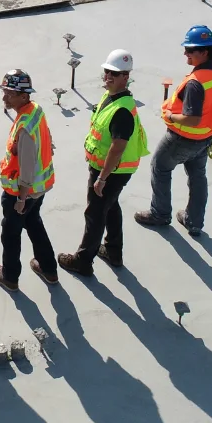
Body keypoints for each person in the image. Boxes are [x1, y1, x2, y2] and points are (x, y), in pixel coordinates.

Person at [135, 25, 212, 236]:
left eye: (190, 50)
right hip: (207, 136)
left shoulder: (195, 84)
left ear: (205, 52)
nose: (186, 53)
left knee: (160, 167)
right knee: (198, 175)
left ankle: (160, 214)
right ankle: (194, 222)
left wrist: (170, 116)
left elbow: (191, 119)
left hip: (183, 138)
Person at [58, 49, 150, 274]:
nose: (108, 77)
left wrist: (101, 178)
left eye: (114, 74)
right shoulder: (111, 98)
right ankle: (113, 251)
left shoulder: (122, 111)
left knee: (95, 213)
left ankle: (82, 261)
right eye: (107, 72)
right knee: (110, 206)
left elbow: (117, 148)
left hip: (111, 171)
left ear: (125, 77)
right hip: (108, 169)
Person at [0, 70, 58, 291]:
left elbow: (27, 167)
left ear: (23, 96)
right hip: (39, 188)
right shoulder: (35, 111)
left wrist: (21, 198)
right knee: (34, 223)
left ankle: (10, 276)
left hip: (21, 193)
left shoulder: (25, 127)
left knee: (10, 233)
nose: (4, 98)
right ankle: (49, 268)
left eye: (9, 94)